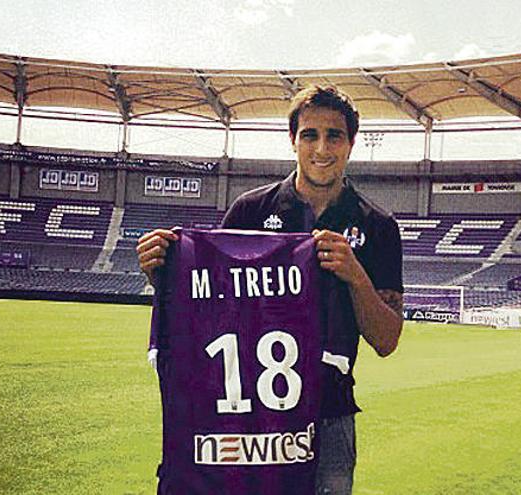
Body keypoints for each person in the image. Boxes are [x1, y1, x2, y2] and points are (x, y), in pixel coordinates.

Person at [137, 85, 404, 495]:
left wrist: (355, 274)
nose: (321, 148)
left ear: (351, 143)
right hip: (248, 417)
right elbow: (211, 304)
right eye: (310, 135)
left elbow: (386, 340)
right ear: (293, 140)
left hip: (329, 417)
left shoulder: (378, 226)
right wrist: (164, 274)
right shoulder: (251, 210)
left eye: (334, 135)